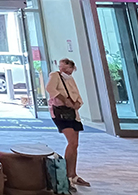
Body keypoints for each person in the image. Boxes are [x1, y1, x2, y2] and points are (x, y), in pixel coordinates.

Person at [47, 58, 89, 190]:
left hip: (73, 113)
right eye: (64, 68)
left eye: (69, 69)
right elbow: (50, 88)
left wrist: (77, 104)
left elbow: (76, 93)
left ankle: (73, 174)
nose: (66, 71)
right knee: (72, 142)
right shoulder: (55, 76)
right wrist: (65, 100)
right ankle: (67, 176)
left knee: (75, 144)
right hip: (61, 113)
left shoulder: (70, 79)